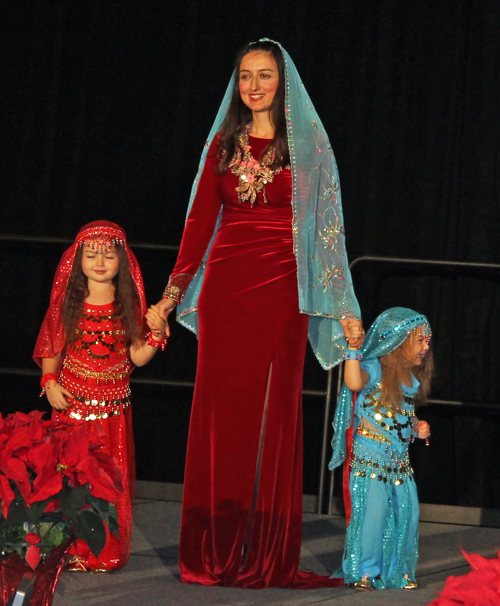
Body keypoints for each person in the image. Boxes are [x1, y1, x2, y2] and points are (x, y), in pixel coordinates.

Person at [152, 39, 361, 588]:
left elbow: (327, 232)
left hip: (283, 294)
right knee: (222, 416)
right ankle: (213, 547)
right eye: (245, 76)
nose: (254, 86)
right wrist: (170, 297)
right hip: (226, 291)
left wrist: (344, 309)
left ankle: (262, 550)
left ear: (281, 81)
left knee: (273, 415)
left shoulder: (309, 148)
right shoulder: (224, 144)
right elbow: (199, 225)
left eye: (264, 75)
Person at [33, 220, 167, 572]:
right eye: (91, 255)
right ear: (77, 261)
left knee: (107, 481)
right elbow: (52, 345)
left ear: (123, 260)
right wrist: (50, 382)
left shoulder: (128, 307)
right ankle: (64, 549)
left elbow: (136, 357)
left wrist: (155, 335)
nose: (100, 262)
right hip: (71, 407)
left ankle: (103, 552)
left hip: (112, 412)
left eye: (108, 255)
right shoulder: (67, 303)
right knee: (70, 478)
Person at [329, 307, 433, 590]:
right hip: (370, 460)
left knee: (407, 514)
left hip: (399, 463)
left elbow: (402, 416)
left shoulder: (411, 380)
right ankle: (364, 572)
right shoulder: (373, 368)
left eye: (427, 341)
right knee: (372, 517)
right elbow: (353, 382)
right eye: (421, 340)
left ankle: (398, 571)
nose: (426, 346)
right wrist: (352, 350)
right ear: (398, 341)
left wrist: (417, 428)